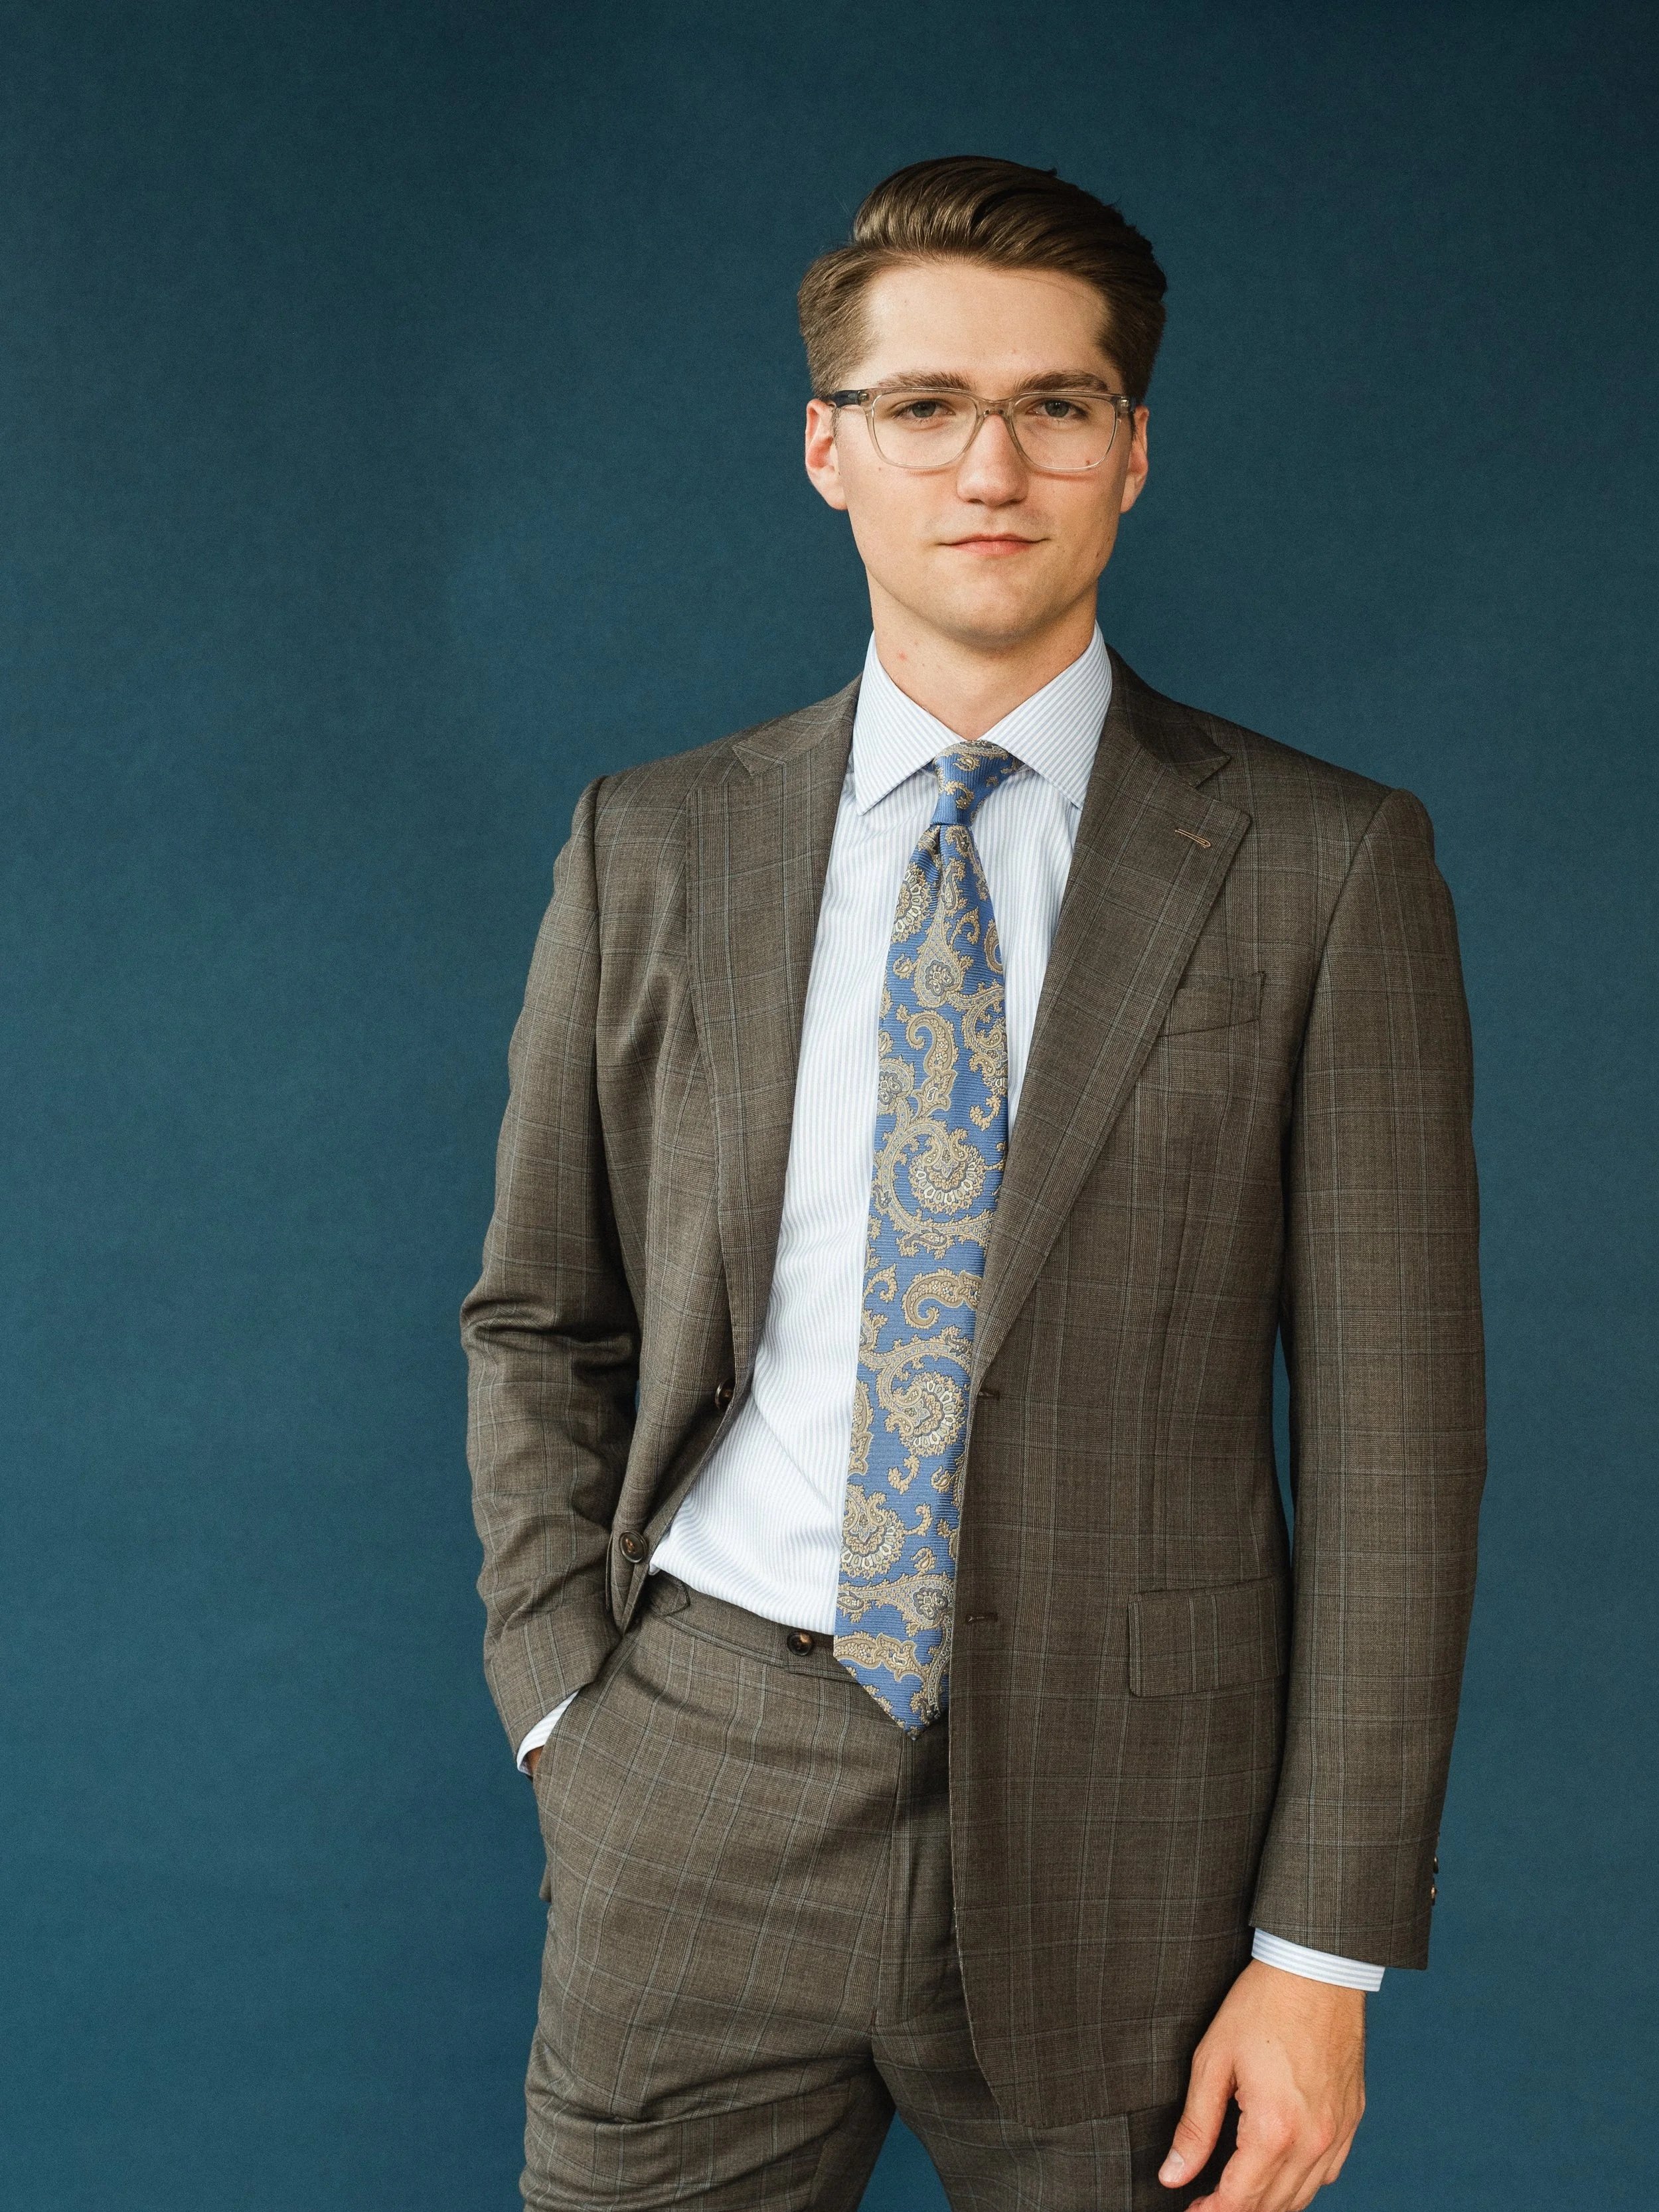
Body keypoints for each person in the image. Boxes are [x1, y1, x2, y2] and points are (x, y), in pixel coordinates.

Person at [461, 154, 1485, 2212]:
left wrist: (1315, 1953)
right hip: (701, 1780)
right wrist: (565, 1705)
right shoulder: (650, 845)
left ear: (1130, 451)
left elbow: (1395, 1441)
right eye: (923, 408)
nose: (987, 464)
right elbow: (541, 1316)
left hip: (1148, 1844)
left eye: (1053, 405)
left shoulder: (1320, 867)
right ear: (828, 451)